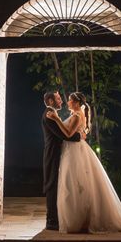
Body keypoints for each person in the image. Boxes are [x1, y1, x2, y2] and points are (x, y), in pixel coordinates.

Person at [46, 92, 121, 233]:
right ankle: (75, 217)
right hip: (70, 150)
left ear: (76, 102)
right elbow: (71, 133)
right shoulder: (76, 114)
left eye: (69, 100)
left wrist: (57, 120)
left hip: (74, 151)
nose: (67, 102)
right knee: (73, 184)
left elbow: (68, 134)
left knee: (76, 184)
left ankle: (79, 219)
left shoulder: (76, 115)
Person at [41, 91, 83, 231]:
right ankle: (52, 221)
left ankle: (56, 218)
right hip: (53, 154)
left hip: (59, 154)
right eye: (58, 99)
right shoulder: (49, 115)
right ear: (51, 101)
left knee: (56, 184)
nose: (62, 101)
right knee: (52, 185)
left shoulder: (53, 113)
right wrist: (79, 137)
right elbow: (62, 135)